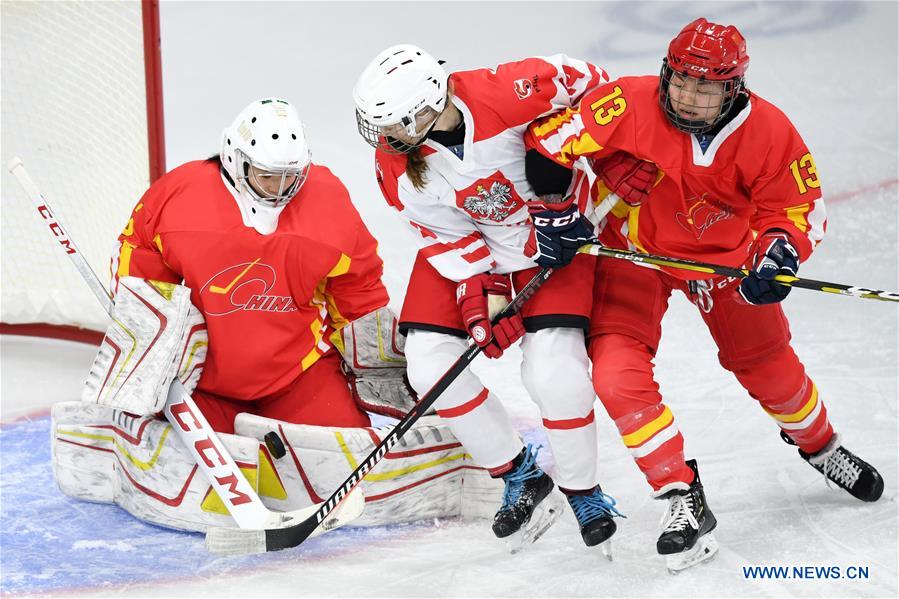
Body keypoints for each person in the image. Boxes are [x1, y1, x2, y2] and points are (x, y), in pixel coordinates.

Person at [524, 18, 884, 571]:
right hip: (636, 254)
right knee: (616, 373)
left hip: (725, 264)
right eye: (680, 81)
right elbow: (549, 142)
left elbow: (798, 209)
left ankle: (820, 445)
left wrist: (779, 252)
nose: (688, 97)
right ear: (666, 73)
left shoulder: (768, 131)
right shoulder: (628, 102)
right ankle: (679, 495)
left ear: (733, 87)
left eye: (706, 86)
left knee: (772, 372)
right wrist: (558, 209)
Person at [51, 98, 503, 535]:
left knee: (350, 470)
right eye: (268, 176)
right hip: (200, 383)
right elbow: (140, 264)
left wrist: (378, 364)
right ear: (235, 159)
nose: (280, 190)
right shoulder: (182, 197)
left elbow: (358, 289)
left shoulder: (325, 200)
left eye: (291, 177)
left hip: (297, 373)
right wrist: (147, 327)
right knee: (187, 473)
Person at [352, 45, 623, 552]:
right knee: (429, 366)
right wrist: (480, 283)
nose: (384, 139)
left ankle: (583, 490)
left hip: (553, 234)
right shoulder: (395, 163)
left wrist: (606, 159)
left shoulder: (513, 89)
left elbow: (604, 90)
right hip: (470, 243)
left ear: (428, 105)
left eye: (393, 125)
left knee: (554, 373)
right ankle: (519, 473)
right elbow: (437, 226)